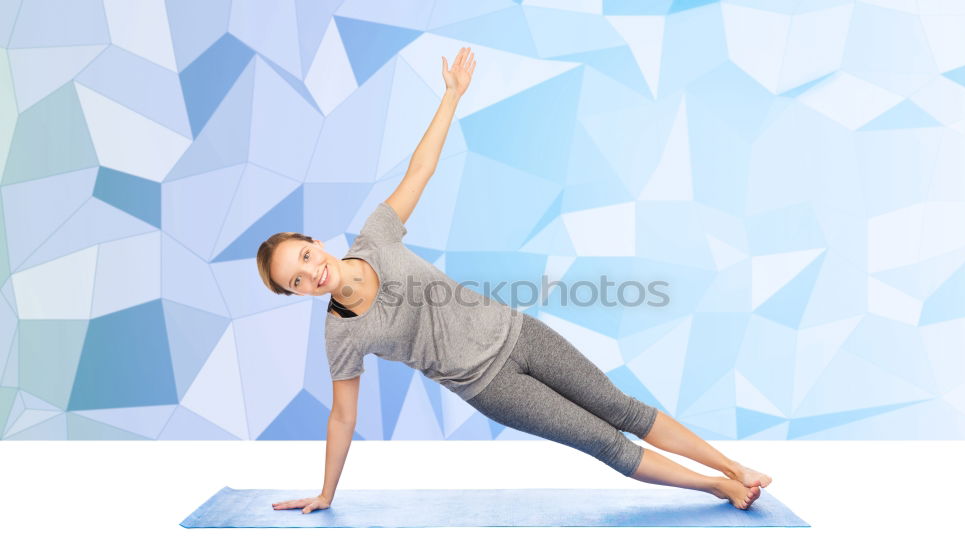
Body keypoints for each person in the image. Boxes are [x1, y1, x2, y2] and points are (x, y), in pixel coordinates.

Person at [259, 48, 771, 515]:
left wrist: (452, 95)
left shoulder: (376, 236)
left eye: (305, 256)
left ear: (316, 241)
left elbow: (421, 169)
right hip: (490, 385)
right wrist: (327, 492)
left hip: (520, 333)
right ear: (297, 293)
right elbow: (342, 418)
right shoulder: (340, 334)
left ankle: (733, 468)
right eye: (297, 280)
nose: (311, 272)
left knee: (621, 408)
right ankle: (717, 488)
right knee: (603, 440)